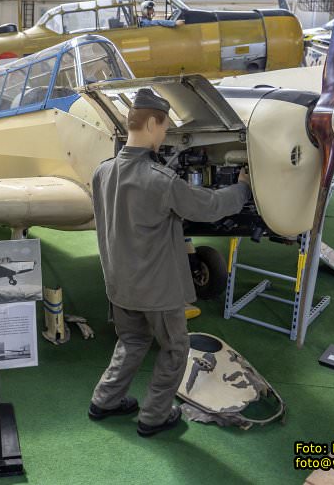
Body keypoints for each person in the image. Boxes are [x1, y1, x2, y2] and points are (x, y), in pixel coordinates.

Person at [88, 88, 251, 437]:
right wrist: (241, 189)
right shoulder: (160, 181)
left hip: (119, 284)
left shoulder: (102, 173)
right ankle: (155, 416)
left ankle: (105, 399)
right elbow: (207, 207)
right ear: (151, 123)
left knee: (131, 342)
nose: (165, 136)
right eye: (163, 129)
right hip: (158, 290)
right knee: (176, 348)